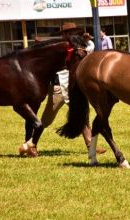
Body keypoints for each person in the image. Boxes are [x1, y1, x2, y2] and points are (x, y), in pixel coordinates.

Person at [40, 23, 106, 154]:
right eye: (69, 32)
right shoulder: (60, 48)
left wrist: (85, 41)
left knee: (82, 115)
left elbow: (90, 49)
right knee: (46, 119)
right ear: (64, 34)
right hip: (59, 87)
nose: (72, 34)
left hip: (73, 87)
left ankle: (90, 146)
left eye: (74, 32)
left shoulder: (80, 45)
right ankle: (31, 142)